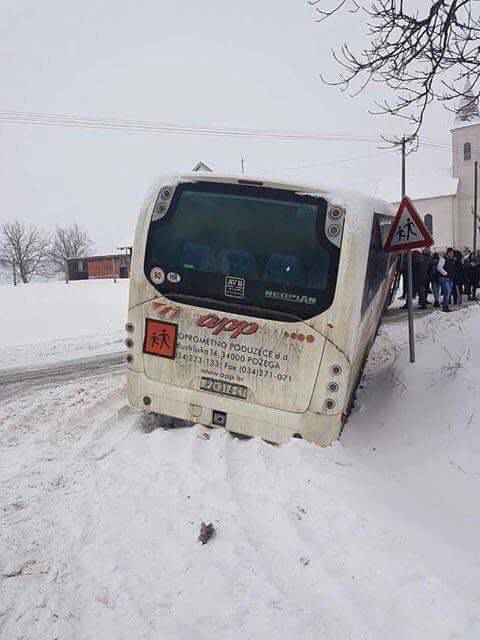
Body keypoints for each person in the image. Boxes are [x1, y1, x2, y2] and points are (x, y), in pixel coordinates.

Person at [437, 247, 456, 312]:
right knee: (447, 292)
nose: (451, 254)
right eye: (450, 252)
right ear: (447, 253)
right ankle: (445, 307)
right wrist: (445, 273)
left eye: (452, 253)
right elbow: (439, 267)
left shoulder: (452, 260)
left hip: (450, 278)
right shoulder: (443, 259)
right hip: (444, 278)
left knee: (448, 293)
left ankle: (446, 305)